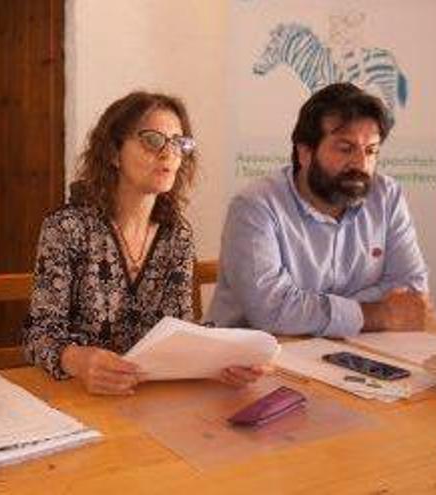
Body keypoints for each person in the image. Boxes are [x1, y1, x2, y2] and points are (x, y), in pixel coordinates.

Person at [22, 91, 264, 395]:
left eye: (178, 143)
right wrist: (78, 361)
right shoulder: (67, 227)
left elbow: (179, 330)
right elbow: (39, 334)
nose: (168, 153)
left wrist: (222, 360)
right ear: (113, 153)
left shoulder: (177, 234)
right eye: (152, 140)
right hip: (75, 394)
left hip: (147, 394)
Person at [206, 82, 430, 336]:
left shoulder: (386, 196)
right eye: (345, 149)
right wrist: (379, 313)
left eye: (371, 151)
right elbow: (271, 311)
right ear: (305, 152)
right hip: (254, 355)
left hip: (354, 347)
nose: (361, 163)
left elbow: (412, 291)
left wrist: (311, 310)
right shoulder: (255, 207)